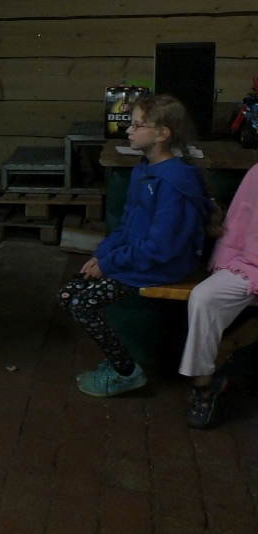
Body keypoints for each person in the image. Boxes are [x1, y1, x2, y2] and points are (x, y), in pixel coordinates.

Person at [59, 94, 214, 398]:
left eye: (137, 125)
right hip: (138, 257)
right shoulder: (142, 170)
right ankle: (120, 363)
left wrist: (109, 264)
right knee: (67, 295)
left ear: (162, 134)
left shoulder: (173, 182)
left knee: (81, 304)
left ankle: (126, 372)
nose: (128, 131)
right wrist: (101, 255)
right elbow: (126, 225)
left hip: (162, 265)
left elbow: (160, 248)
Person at [179, 162, 258, 428]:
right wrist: (225, 261)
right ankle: (204, 384)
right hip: (251, 264)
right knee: (203, 297)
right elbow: (238, 222)